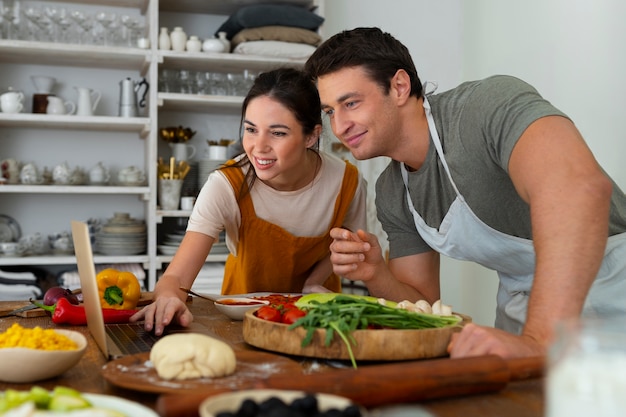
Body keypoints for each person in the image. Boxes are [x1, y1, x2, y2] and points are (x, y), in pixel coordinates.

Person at [304, 27, 626, 359]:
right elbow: (424, 306)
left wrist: (539, 339)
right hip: (525, 314)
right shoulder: (393, 190)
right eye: (330, 111)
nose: (339, 126)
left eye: (351, 103)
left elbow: (580, 191)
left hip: (614, 291)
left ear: (399, 86)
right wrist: (375, 273)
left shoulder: (484, 107)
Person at [132, 68, 367, 335]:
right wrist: (168, 299)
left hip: (317, 326)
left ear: (311, 136)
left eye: (277, 133)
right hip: (241, 323)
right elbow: (175, 278)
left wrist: (313, 282)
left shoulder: (347, 181)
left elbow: (345, 246)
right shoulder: (225, 185)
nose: (259, 146)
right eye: (251, 130)